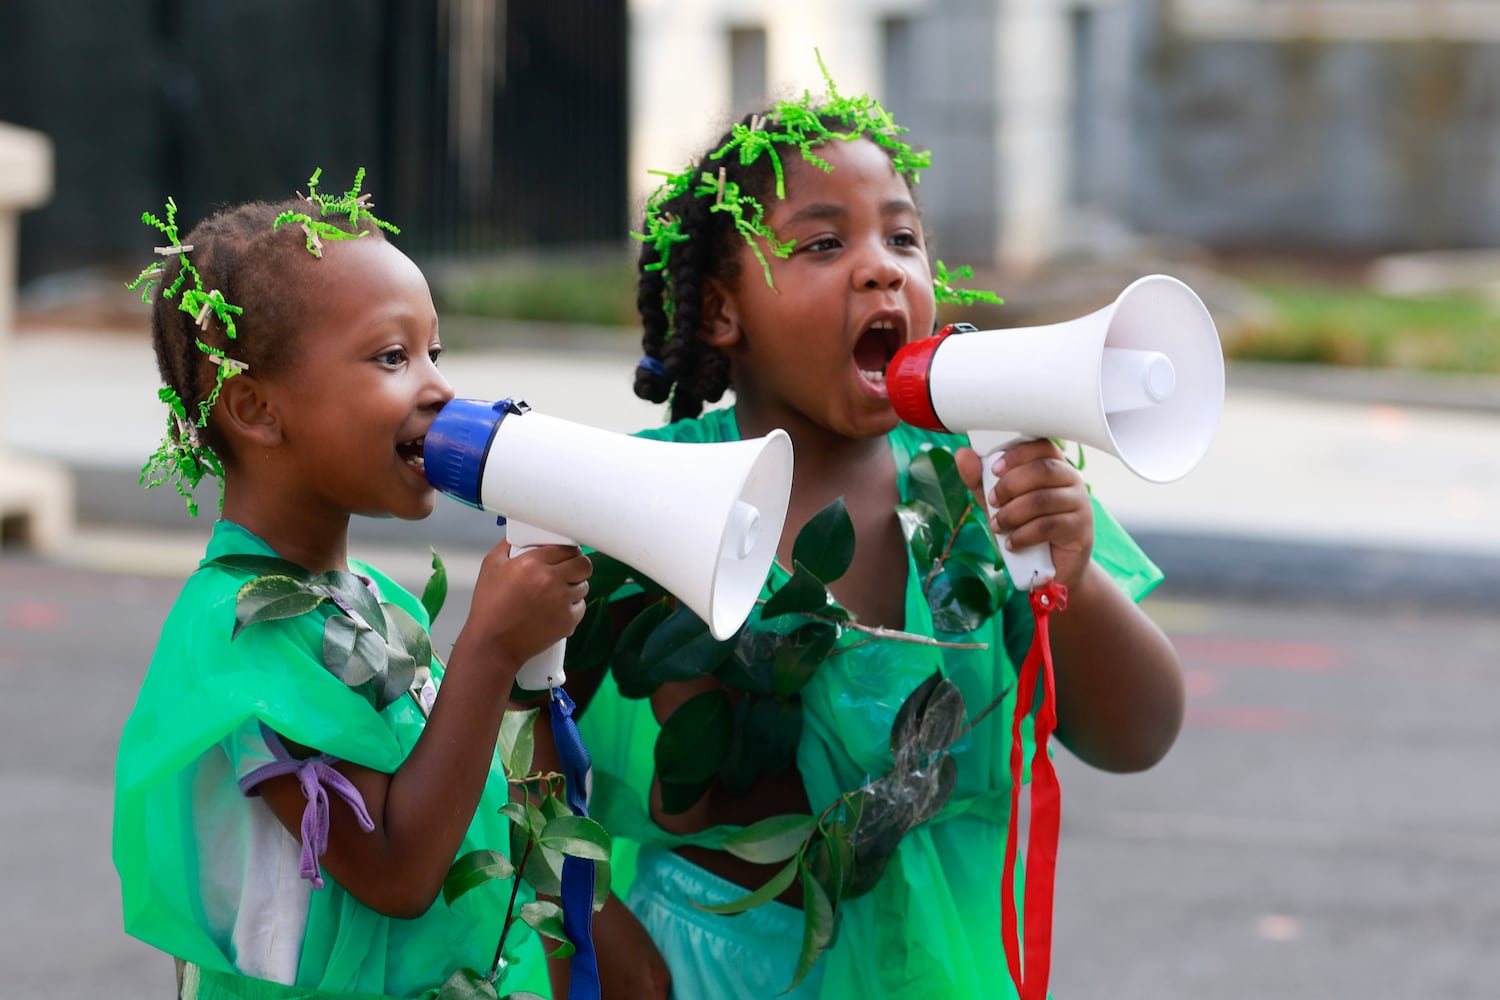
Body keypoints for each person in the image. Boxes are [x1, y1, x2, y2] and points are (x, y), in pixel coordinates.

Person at [553, 69, 1187, 999]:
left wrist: (1073, 580)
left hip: (936, 964)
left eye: (903, 237)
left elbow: (1137, 735)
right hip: (705, 971)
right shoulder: (654, 491)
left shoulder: (982, 484)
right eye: (822, 242)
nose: (882, 265)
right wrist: (597, 930)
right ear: (723, 311)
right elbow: (531, 752)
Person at [112, 172, 593, 999]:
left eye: (435, 353)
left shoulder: (376, 596)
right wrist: (484, 646)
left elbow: (456, 793)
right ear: (257, 409)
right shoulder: (240, 633)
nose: (439, 389)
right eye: (392, 357)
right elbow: (396, 871)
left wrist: (524, 671)